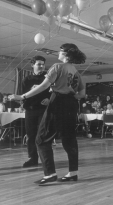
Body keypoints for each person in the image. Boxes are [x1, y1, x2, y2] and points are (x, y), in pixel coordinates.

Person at [10, 43, 86, 185]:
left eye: (61, 51)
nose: (58, 52)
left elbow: (44, 86)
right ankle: (73, 173)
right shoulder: (76, 72)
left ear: (66, 54)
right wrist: (69, 96)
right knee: (69, 140)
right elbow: (82, 94)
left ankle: (50, 173)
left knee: (41, 139)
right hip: (71, 105)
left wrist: (22, 97)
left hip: (57, 103)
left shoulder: (57, 67)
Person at [21, 55, 51, 168]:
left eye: (43, 64)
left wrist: (49, 99)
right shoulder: (26, 80)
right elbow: (23, 96)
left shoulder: (48, 78)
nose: (41, 66)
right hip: (30, 110)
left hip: (44, 110)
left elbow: (54, 92)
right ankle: (32, 158)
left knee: (43, 135)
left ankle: (46, 160)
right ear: (32, 65)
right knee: (31, 135)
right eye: (39, 64)